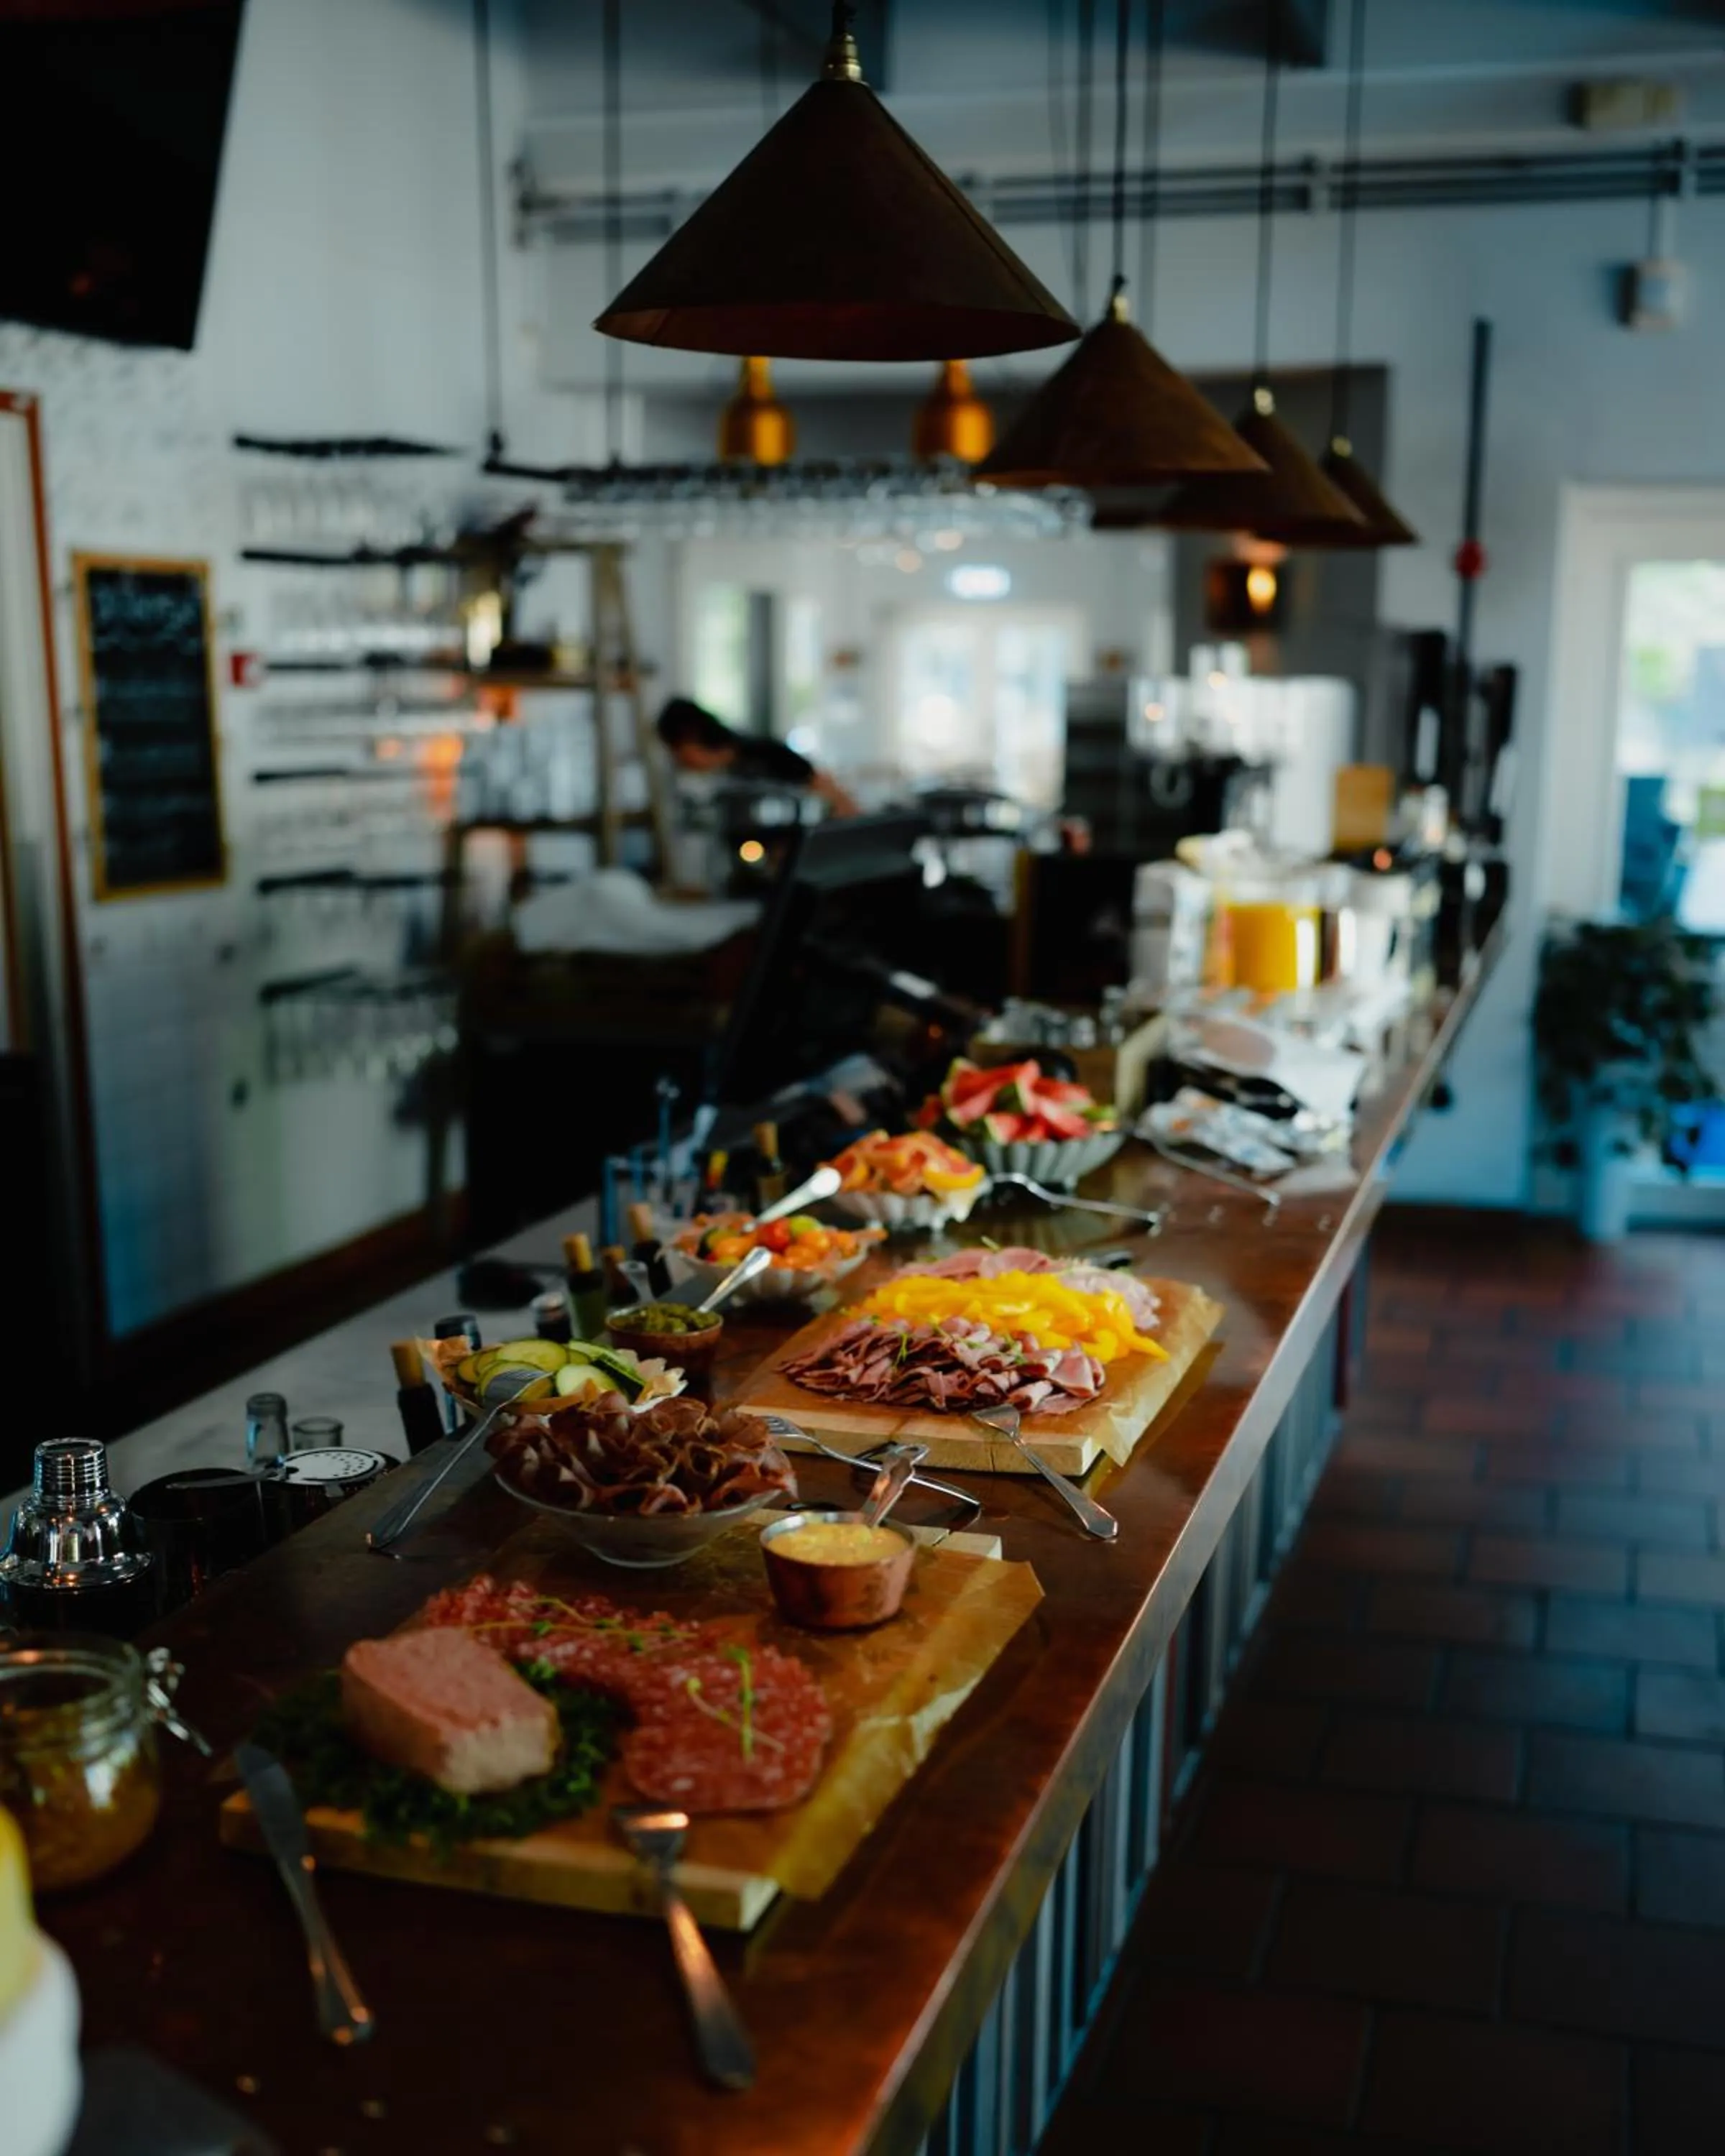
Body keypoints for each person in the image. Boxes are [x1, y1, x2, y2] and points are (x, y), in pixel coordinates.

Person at [656, 696, 857, 817]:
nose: (679, 761)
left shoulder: (764, 755)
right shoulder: (728, 773)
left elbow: (828, 792)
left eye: (678, 752)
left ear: (692, 739)